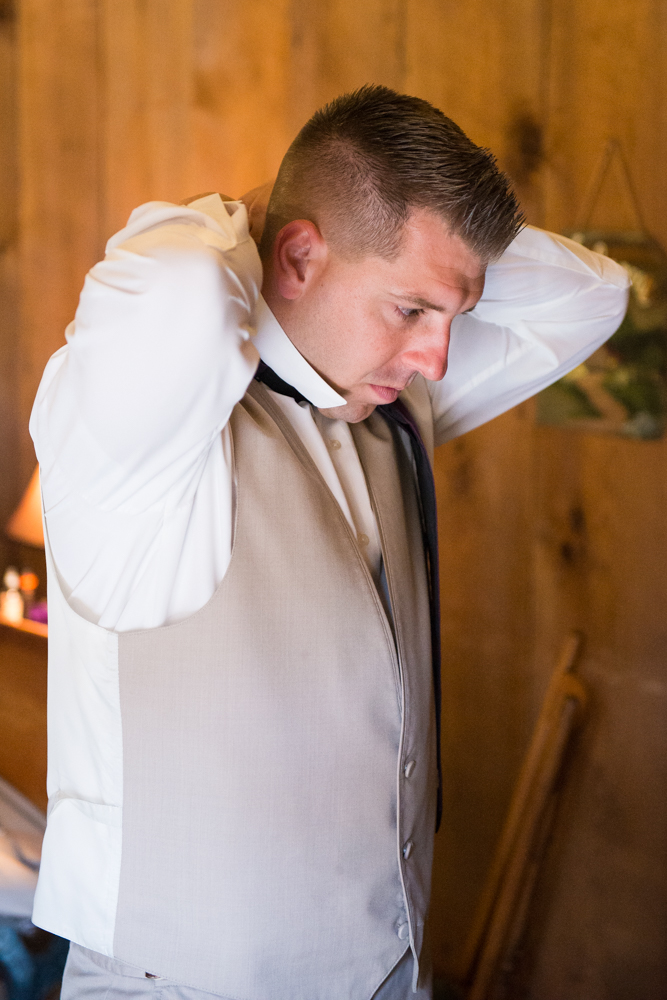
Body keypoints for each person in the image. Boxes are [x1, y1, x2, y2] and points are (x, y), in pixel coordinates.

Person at [29, 86, 628, 1000]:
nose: (436, 357)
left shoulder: (397, 403)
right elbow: (185, 284)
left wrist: (420, 261)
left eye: (452, 318)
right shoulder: (144, 441)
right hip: (186, 982)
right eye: (410, 311)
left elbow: (593, 296)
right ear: (298, 254)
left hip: (390, 966)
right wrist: (252, 214)